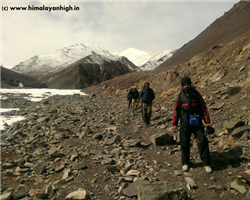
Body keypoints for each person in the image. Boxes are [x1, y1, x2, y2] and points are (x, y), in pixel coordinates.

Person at [173, 77, 213, 174]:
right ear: (182, 86)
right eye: (184, 85)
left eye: (188, 84)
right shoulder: (180, 97)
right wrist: (175, 123)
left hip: (197, 123)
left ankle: (206, 163)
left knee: (202, 141)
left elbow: (203, 108)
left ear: (190, 84)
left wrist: (207, 121)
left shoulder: (196, 94)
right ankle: (185, 163)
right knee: (184, 143)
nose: (186, 86)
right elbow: (176, 111)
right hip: (184, 124)